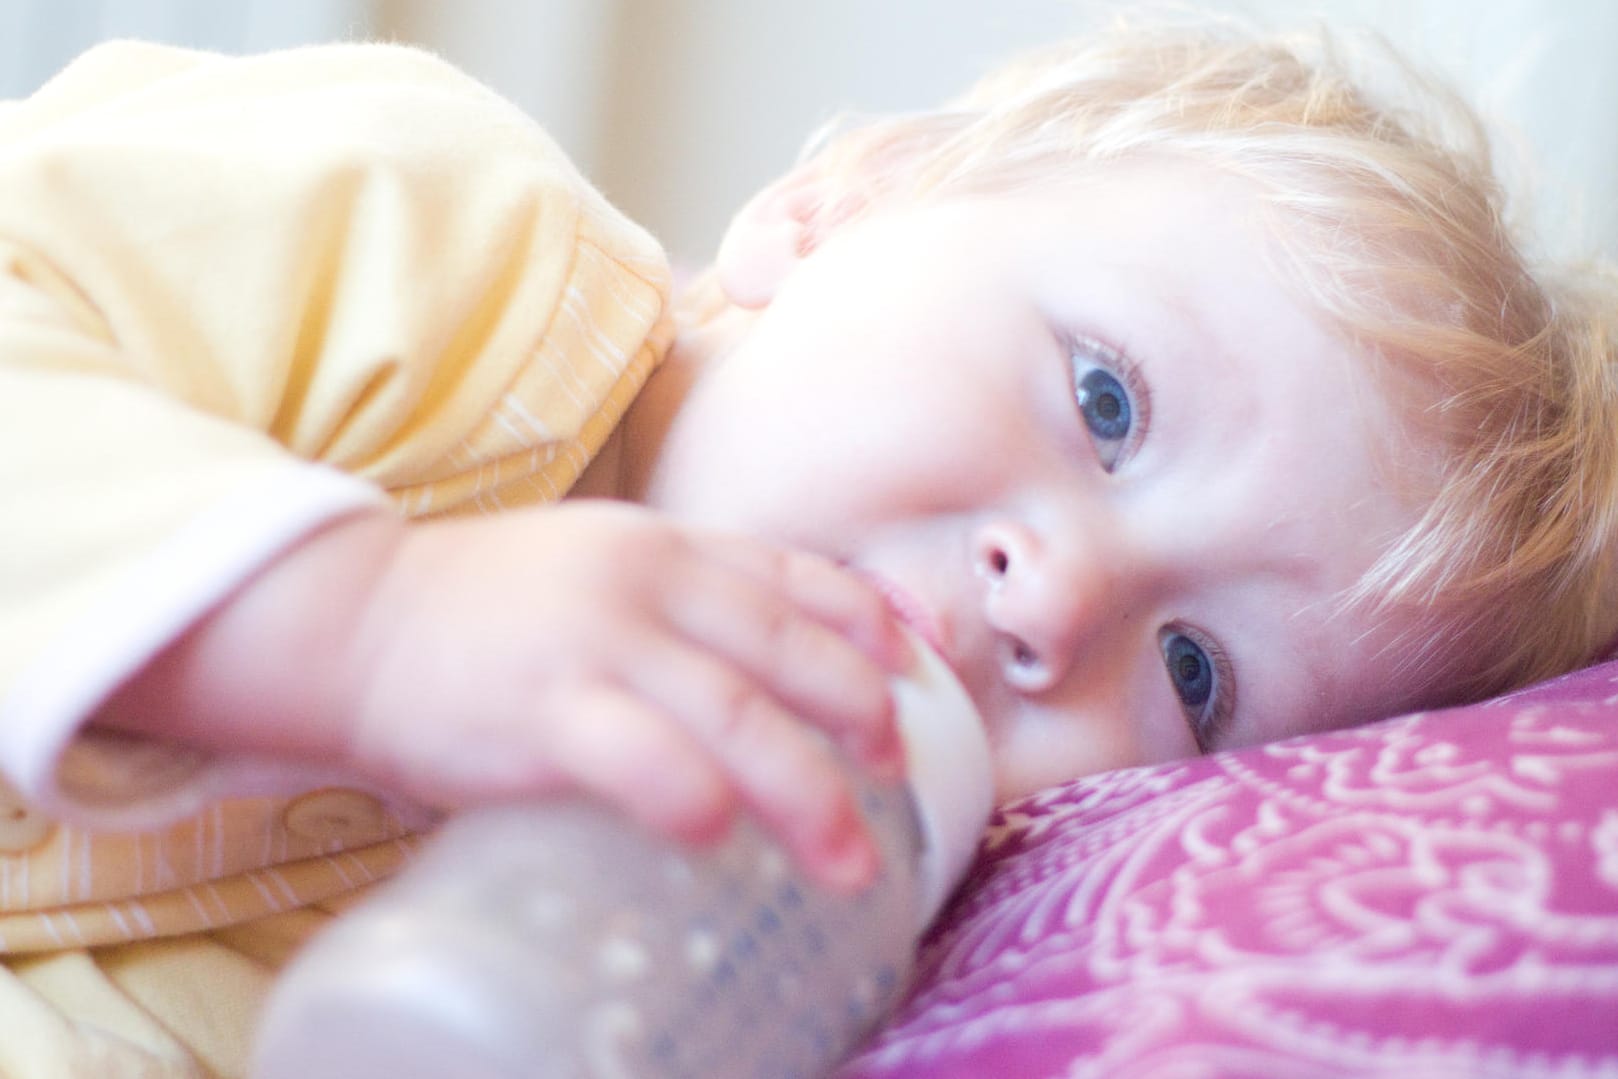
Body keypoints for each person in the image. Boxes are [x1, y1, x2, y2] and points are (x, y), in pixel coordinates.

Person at [0, 13, 1614, 1076]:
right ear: (846, 202)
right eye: (1104, 399)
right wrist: (363, 626)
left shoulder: (720, 942)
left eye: (1195, 673)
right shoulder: (439, 233)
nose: (1056, 599)